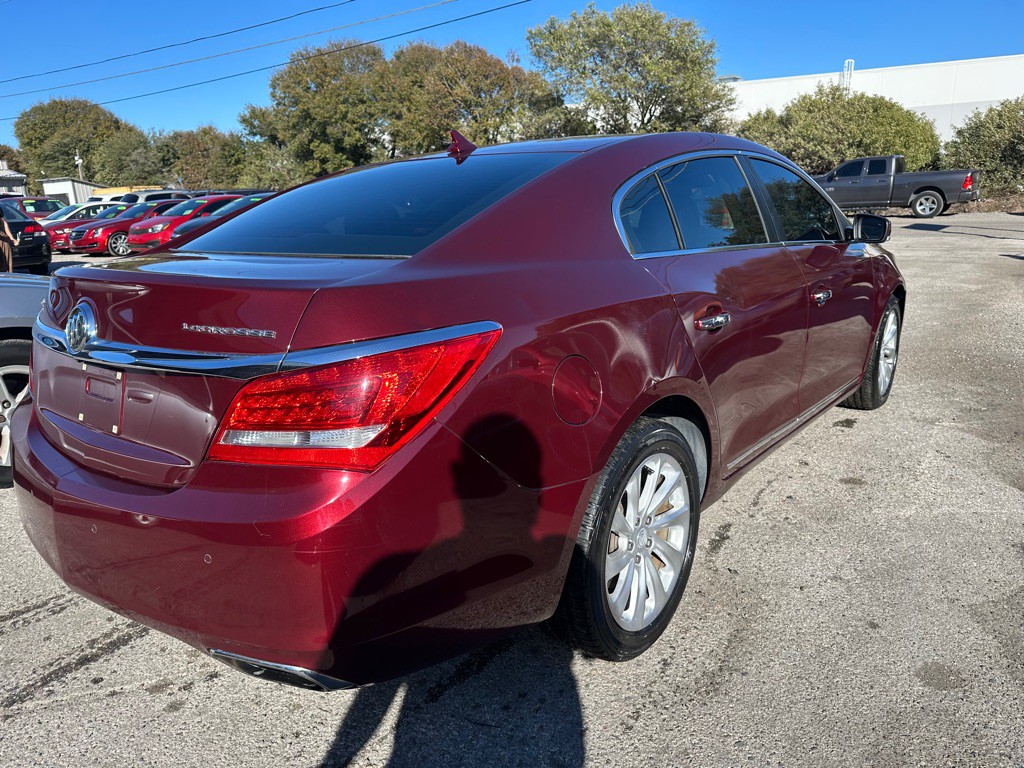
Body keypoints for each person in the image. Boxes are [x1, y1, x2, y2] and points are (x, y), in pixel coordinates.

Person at [0, 206, 17, 272]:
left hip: (2, 241)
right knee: (6, 262)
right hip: (5, 241)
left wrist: (12, 238)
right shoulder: (2, 219)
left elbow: (7, 229)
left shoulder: (2, 219)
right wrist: (12, 238)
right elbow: (7, 230)